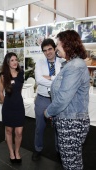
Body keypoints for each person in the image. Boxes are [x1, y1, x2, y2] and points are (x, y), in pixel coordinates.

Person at [44, 30, 90, 170]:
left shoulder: (75, 66)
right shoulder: (70, 65)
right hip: (68, 119)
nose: (57, 47)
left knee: (71, 164)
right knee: (72, 162)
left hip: (71, 122)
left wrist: (48, 111)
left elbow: (63, 97)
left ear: (68, 45)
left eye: (58, 44)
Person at [32, 38, 62, 161]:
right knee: (40, 127)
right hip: (42, 99)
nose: (48, 52)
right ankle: (37, 149)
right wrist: (57, 79)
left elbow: (63, 81)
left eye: (50, 49)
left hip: (57, 99)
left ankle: (59, 151)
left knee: (58, 127)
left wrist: (50, 77)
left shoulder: (63, 62)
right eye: (45, 50)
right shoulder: (39, 63)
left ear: (54, 48)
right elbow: (39, 80)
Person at [0, 52, 25, 163]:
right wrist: (5, 102)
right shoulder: (3, 75)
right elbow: (0, 92)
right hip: (8, 106)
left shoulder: (21, 73)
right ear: (8, 62)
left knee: (19, 132)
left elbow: (19, 89)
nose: (15, 62)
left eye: (16, 60)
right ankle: (11, 152)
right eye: (12, 60)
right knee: (8, 131)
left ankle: (17, 151)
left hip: (19, 105)